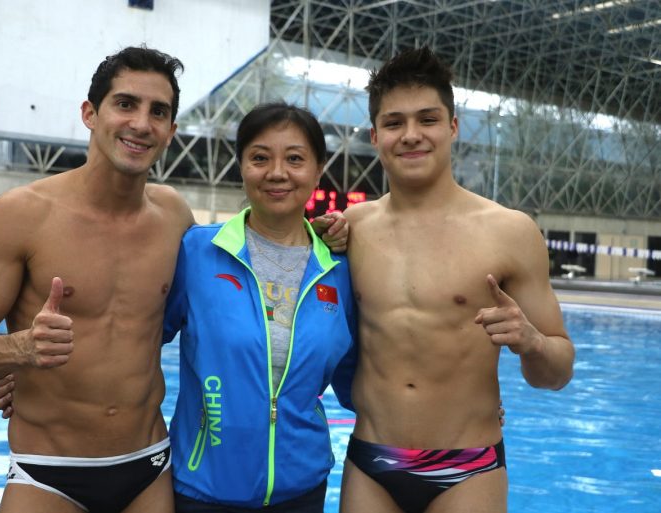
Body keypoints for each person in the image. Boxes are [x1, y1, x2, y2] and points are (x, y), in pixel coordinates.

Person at [0, 46, 194, 513]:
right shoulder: (20, 215)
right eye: (125, 104)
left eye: (158, 112)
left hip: (149, 465)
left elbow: (219, 298)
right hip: (47, 472)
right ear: (90, 114)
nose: (142, 123)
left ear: (171, 131)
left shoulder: (175, 217)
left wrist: (327, 235)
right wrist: (20, 350)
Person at [339, 46, 575, 513]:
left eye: (427, 119)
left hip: (468, 467)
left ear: (452, 126)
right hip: (371, 462)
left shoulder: (509, 231)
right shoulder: (349, 229)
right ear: (374, 135)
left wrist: (531, 342)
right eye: (394, 123)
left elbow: (559, 371)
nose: (411, 136)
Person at [163, 102, 356, 512]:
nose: (277, 173)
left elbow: (362, 376)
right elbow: (135, 340)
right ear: (241, 166)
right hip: (203, 485)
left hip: (301, 487)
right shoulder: (197, 252)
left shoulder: (340, 269)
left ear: (319, 169)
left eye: (295, 159)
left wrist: (446, 406)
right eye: (260, 158)